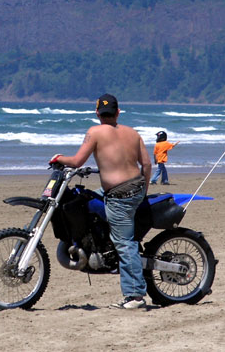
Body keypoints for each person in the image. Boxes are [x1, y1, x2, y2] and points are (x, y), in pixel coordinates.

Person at [49, 94, 152, 310]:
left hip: (120, 196)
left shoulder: (94, 132)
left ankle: (135, 296)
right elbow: (146, 164)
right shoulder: (133, 133)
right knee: (87, 201)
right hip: (134, 189)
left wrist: (59, 158)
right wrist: (144, 189)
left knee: (125, 243)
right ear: (118, 112)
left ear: (97, 113)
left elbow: (77, 161)